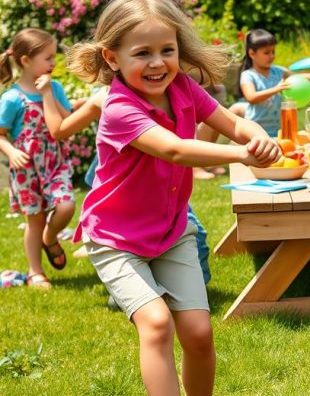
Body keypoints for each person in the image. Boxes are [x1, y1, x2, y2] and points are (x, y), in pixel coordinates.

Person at [67, 0, 281, 396]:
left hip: (172, 231)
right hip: (116, 239)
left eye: (167, 50)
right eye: (142, 53)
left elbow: (228, 122)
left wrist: (256, 136)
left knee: (200, 334)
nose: (159, 62)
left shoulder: (184, 87)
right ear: (112, 57)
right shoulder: (119, 108)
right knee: (157, 324)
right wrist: (241, 155)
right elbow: (177, 151)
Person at [40, 87, 212, 285]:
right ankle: (135, 291)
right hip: (127, 197)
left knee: (195, 239)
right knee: (132, 250)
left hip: (164, 190)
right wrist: (46, 93)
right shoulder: (106, 98)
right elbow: (60, 130)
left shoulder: (170, 91)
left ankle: (192, 292)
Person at [0, 29, 75, 288]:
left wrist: (48, 96)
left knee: (66, 206)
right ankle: (35, 272)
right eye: (48, 58)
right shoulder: (12, 98)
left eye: (54, 57)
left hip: (55, 163)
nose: (54, 63)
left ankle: (50, 237)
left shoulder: (54, 87)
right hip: (27, 169)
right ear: (25, 61)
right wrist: (11, 151)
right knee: (35, 219)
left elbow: (68, 120)